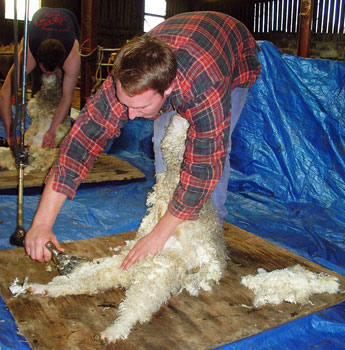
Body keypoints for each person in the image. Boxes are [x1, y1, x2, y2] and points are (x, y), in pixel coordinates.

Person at [24, 11, 261, 270]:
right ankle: (165, 212)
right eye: (126, 103)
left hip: (227, 49)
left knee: (215, 150)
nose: (130, 115)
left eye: (141, 107)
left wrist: (156, 238)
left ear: (168, 87)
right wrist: (42, 224)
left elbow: (203, 167)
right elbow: (81, 143)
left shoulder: (207, 84)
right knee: (163, 138)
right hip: (178, 44)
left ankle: (206, 229)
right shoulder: (125, 81)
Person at [0, 7, 81, 149]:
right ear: (38, 62)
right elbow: (4, 93)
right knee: (39, 88)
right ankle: (36, 124)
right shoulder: (28, 55)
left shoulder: (72, 58)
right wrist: (10, 133)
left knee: (62, 91)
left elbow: (67, 97)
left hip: (69, 19)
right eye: (46, 70)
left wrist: (52, 131)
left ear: (61, 64)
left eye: (53, 70)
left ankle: (57, 129)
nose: (49, 74)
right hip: (38, 23)